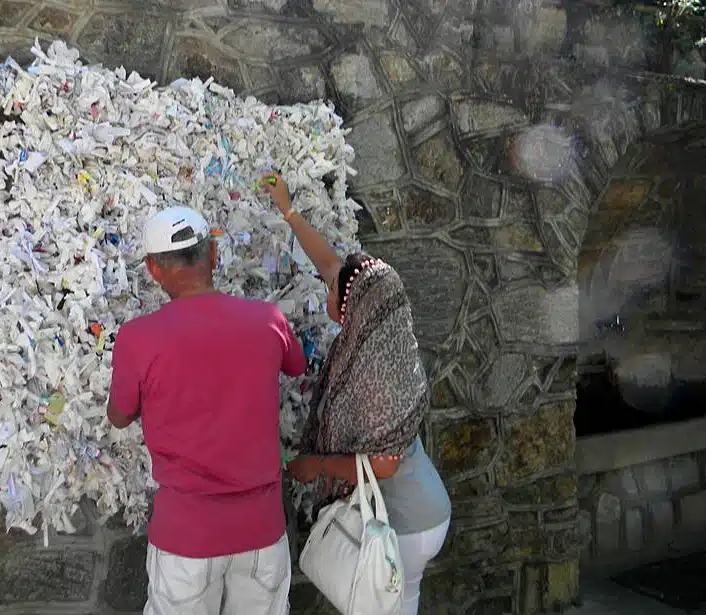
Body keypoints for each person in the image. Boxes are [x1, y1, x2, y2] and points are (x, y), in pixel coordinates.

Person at [260, 174, 452, 615]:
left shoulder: (377, 372)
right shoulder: (381, 334)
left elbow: (383, 463)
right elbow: (331, 264)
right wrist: (288, 210)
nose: (326, 286)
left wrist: (318, 465)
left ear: (353, 305)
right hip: (420, 508)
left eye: (332, 290)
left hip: (407, 521)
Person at [107, 204, 308, 615]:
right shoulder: (267, 320)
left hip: (186, 538)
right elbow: (296, 365)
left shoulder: (137, 339)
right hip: (261, 533)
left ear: (153, 269)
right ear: (214, 254)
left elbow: (119, 415)